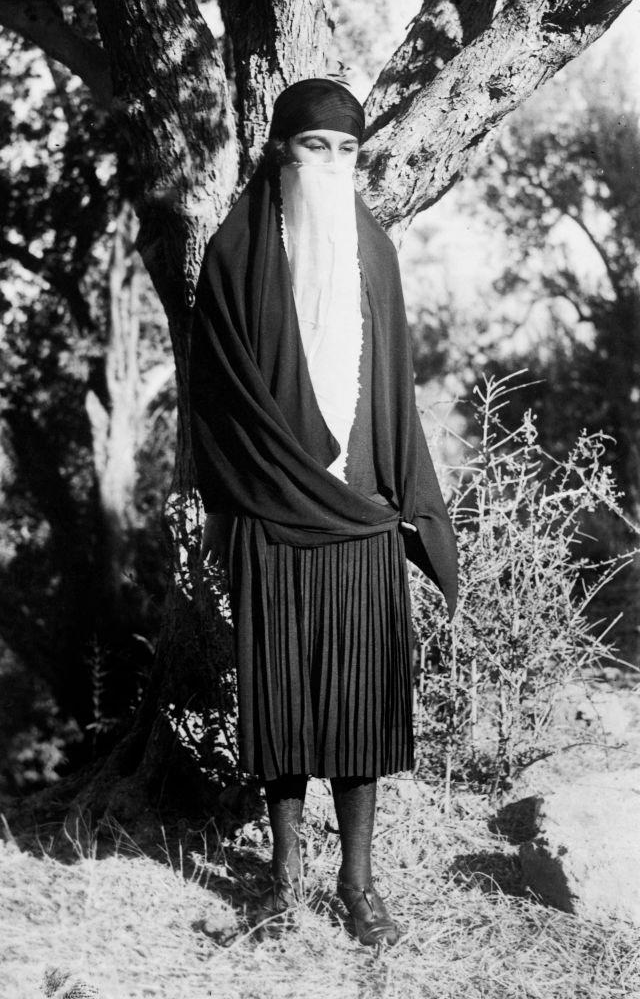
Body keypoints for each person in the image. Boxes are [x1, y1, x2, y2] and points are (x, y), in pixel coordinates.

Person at [189, 78, 458, 946]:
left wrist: (404, 505)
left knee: (361, 707)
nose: (331, 165)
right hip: (269, 514)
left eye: (347, 151)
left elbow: (395, 391)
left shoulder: (374, 252)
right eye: (315, 148)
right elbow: (217, 400)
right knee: (282, 712)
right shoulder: (231, 258)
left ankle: (359, 885)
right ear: (280, 151)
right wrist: (234, 500)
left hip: (360, 514)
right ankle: (279, 882)